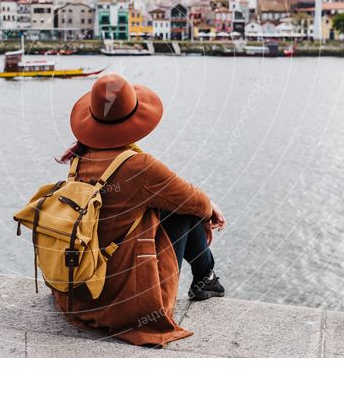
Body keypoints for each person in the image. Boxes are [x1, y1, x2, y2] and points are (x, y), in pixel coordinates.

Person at [52, 72, 225, 346]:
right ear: (135, 118)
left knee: (174, 204)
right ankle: (206, 277)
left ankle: (207, 277)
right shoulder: (138, 166)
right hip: (122, 300)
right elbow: (195, 201)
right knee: (186, 209)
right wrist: (208, 210)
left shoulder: (80, 158)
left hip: (81, 290)